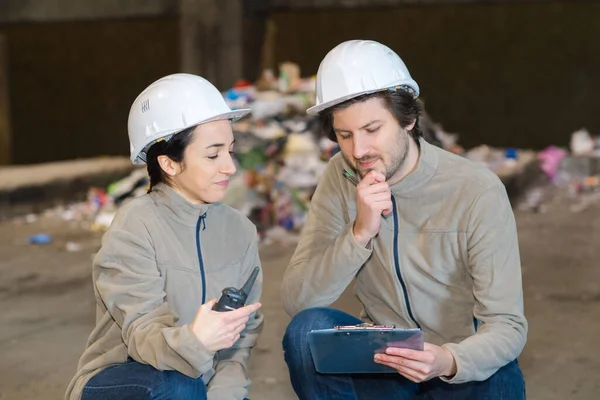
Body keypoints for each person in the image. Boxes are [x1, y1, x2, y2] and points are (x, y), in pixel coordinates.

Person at [281, 39, 527, 399]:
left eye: (372, 129)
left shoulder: (475, 189)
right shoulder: (340, 176)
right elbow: (298, 299)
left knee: (501, 376)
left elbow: (507, 326)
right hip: (385, 360)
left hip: (456, 365)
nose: (358, 151)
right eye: (344, 135)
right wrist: (359, 233)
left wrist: (447, 360)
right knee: (306, 332)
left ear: (408, 119)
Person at [65, 73, 264, 400]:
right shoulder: (136, 224)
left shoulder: (239, 231)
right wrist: (196, 341)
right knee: (178, 385)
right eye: (213, 155)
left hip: (196, 389)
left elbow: (240, 341)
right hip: (126, 381)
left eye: (230, 150)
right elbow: (142, 336)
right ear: (169, 163)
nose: (230, 166)